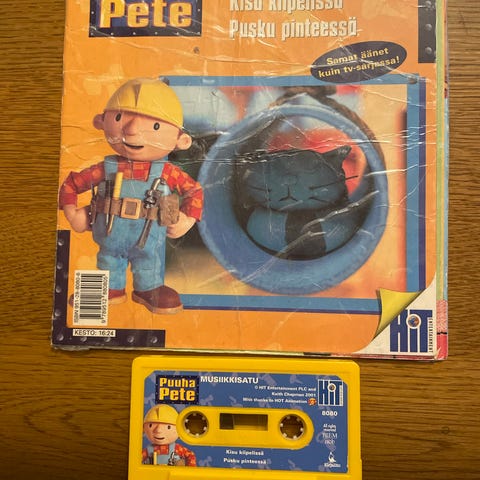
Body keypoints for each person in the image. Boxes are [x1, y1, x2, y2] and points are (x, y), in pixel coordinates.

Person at [59, 78, 203, 314]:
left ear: (181, 140)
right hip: (109, 239)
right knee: (107, 262)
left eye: (155, 126)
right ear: (101, 122)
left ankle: (149, 289)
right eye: (120, 118)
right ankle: (109, 288)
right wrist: (72, 213)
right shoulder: (105, 169)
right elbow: (72, 184)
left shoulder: (168, 173)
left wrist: (187, 219)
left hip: (150, 242)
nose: (132, 130)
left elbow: (194, 190)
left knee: (149, 263)